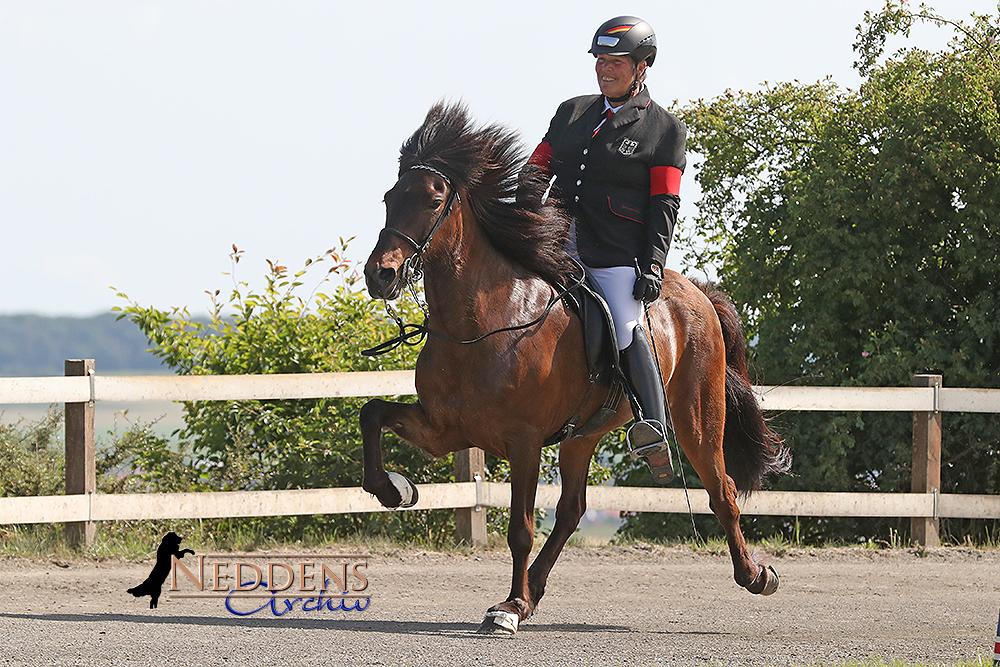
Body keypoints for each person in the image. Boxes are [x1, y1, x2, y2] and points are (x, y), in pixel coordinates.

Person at [525, 16, 686, 484]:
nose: (604, 70)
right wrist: (518, 223)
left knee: (625, 321)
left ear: (641, 68)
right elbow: (536, 171)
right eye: (600, 61)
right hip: (554, 242)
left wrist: (653, 265)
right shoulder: (570, 112)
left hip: (614, 253)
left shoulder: (664, 131)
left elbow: (665, 205)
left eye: (615, 62)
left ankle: (653, 428)